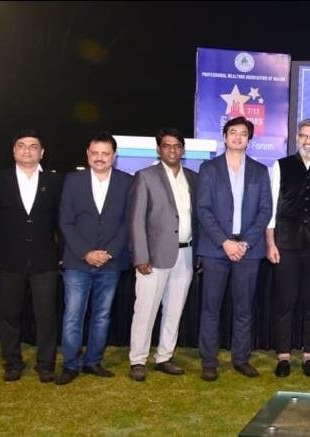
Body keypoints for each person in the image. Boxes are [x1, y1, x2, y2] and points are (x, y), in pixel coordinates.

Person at [0, 129, 63, 384]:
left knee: (46, 316)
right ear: (14, 150)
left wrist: (62, 254)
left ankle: (46, 365)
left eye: (33, 146)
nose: (27, 150)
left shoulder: (55, 181)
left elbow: (61, 222)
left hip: (45, 262)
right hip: (8, 261)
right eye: (22, 146)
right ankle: (12, 363)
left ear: (42, 152)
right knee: (9, 316)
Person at [196, 116, 272, 381]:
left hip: (248, 250)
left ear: (249, 140)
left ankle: (241, 358)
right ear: (225, 136)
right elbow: (203, 209)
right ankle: (209, 361)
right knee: (211, 308)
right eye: (233, 132)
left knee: (243, 308)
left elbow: (265, 211)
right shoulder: (209, 169)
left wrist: (245, 242)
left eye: (243, 133)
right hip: (216, 248)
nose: (238, 137)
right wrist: (225, 242)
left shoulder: (260, 171)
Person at [57, 132, 133, 385]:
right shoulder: (72, 181)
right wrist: (85, 253)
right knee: (73, 315)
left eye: (105, 153)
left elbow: (128, 223)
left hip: (111, 262)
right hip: (77, 262)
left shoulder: (127, 182)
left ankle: (93, 361)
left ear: (114, 156)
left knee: (102, 315)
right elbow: (65, 221)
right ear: (88, 154)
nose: (100, 158)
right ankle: (70, 364)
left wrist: (108, 253)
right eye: (95, 153)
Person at [126, 128, 197, 381]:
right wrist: (140, 257)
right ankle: (138, 359)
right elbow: (136, 220)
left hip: (186, 254)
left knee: (174, 310)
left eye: (177, 145)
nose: (172, 150)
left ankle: (164, 356)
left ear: (183, 149)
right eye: (167, 145)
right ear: (159, 149)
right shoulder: (145, 176)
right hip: (154, 257)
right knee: (145, 310)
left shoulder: (193, 178)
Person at [265, 118, 310, 378]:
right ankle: (283, 356)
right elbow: (271, 208)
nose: (308, 141)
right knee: (285, 302)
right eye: (304, 135)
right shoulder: (281, 165)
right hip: (286, 244)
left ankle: (309, 356)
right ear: (296, 138)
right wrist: (270, 243)